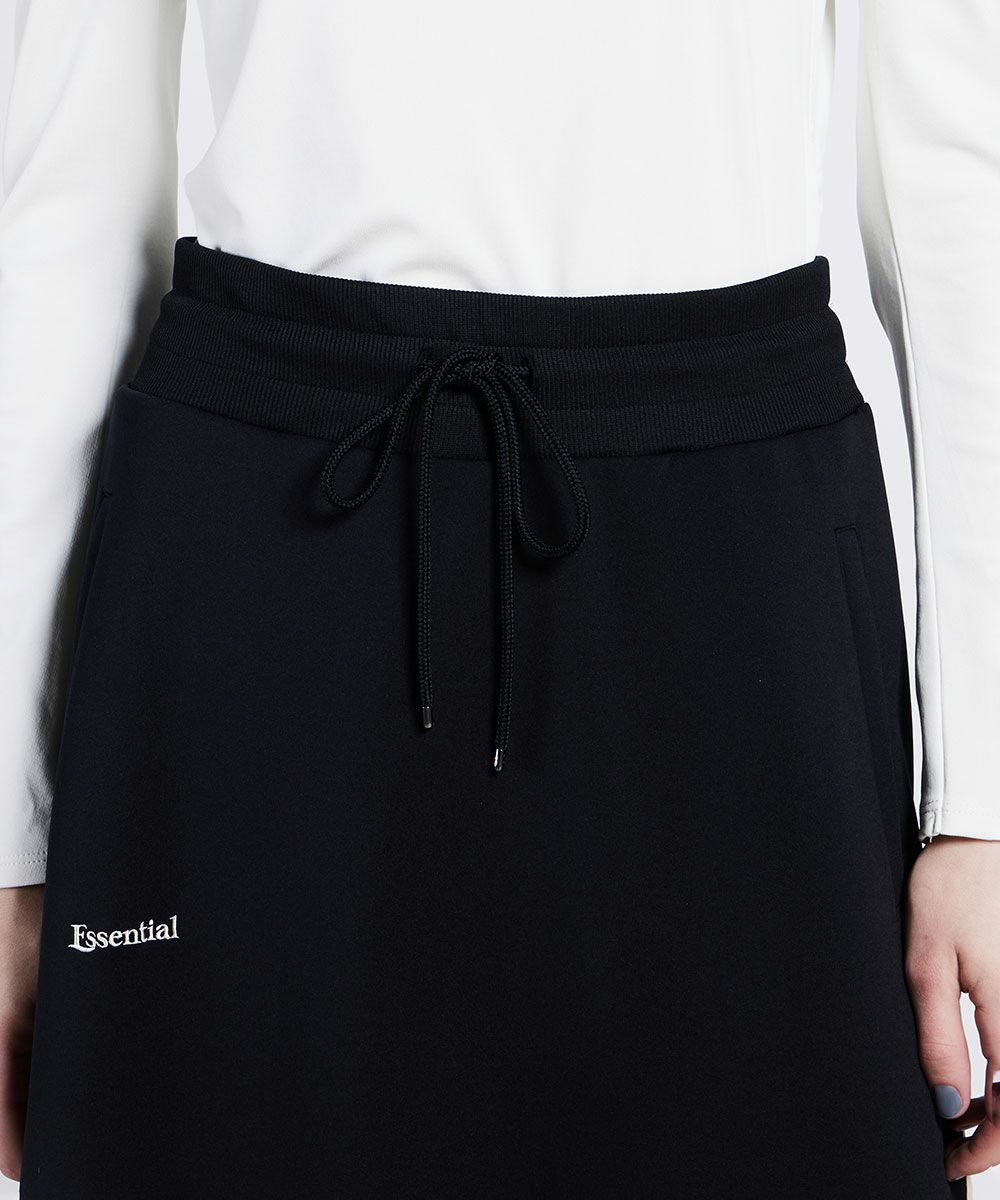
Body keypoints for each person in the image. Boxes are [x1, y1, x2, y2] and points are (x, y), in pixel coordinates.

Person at [0, 1, 997, 1195]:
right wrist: (11, 841)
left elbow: (958, 171)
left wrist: (982, 809)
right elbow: (64, 185)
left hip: (727, 571)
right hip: (263, 559)